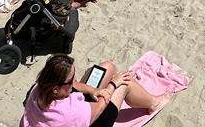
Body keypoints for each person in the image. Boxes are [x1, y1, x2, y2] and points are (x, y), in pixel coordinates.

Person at [20, 53, 170, 127]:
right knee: (125, 82)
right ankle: (154, 103)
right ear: (55, 89)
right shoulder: (70, 111)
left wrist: (92, 90)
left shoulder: (38, 88)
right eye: (70, 80)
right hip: (93, 118)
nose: (74, 81)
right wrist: (113, 84)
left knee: (106, 67)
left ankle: (115, 84)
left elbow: (76, 85)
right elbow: (100, 106)